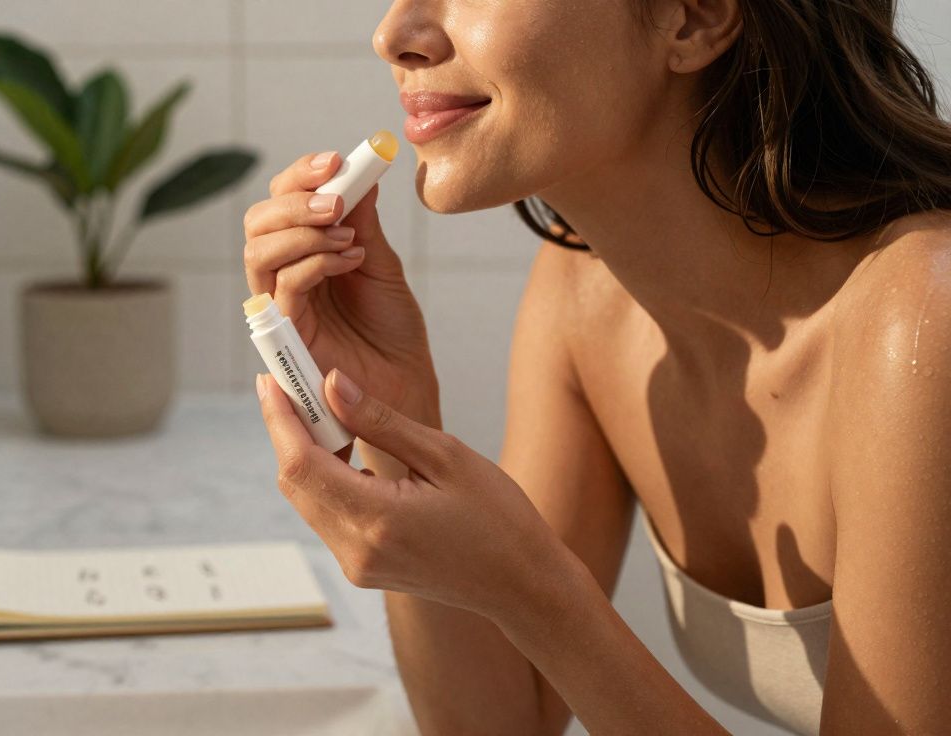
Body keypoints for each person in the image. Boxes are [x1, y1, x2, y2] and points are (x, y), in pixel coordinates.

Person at [241, 0, 951, 734]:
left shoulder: (926, 318)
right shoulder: (587, 296)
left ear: (694, 17)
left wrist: (533, 590)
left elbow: (536, 620)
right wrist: (395, 421)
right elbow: (498, 723)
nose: (394, 36)